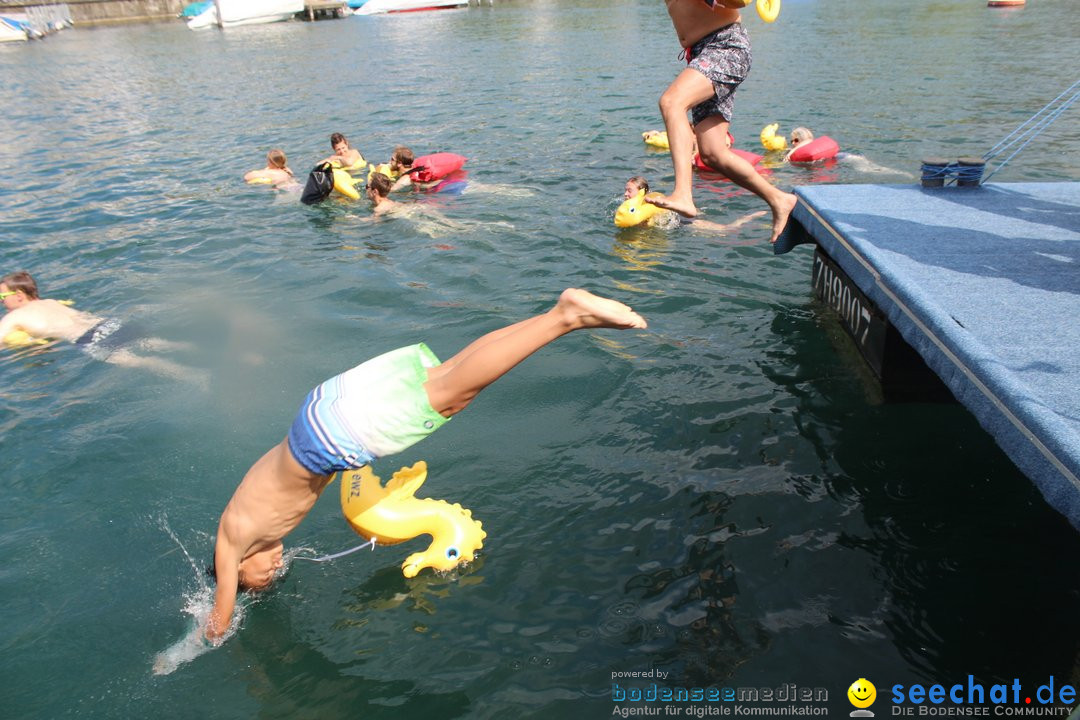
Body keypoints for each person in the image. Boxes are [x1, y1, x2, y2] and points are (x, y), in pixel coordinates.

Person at [204, 288, 648, 641]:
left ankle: (566, 317)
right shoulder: (242, 516)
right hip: (318, 410)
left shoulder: (233, 544)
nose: (273, 571)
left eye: (261, 579)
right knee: (448, 375)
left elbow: (219, 620)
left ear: (239, 570)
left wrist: (192, 645)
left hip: (330, 441)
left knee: (454, 393)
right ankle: (556, 311)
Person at [645, 0, 797, 244]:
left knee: (672, 102)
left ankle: (683, 194)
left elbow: (738, 2)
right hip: (701, 53)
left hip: (725, 47)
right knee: (712, 154)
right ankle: (779, 199)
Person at [0, 271, 203, 383]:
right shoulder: (51, 302)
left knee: (140, 362)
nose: (1, 302)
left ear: (19, 295)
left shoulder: (14, 317)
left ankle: (195, 377)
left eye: (2, 297)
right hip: (107, 323)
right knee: (158, 344)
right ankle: (202, 349)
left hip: (89, 339)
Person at [622, 176, 765, 233]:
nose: (625, 194)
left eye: (629, 190)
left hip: (681, 221)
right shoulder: (631, 206)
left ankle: (750, 219)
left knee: (726, 230)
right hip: (678, 218)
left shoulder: (651, 200)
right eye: (625, 190)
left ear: (641, 191)